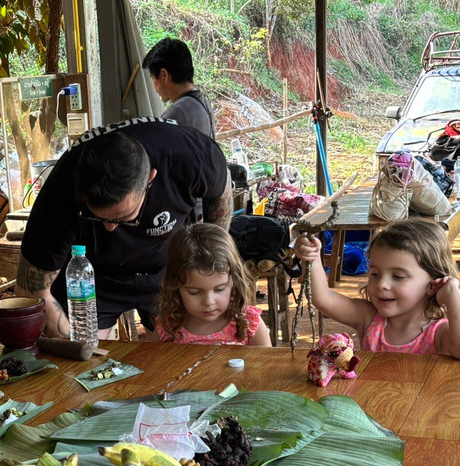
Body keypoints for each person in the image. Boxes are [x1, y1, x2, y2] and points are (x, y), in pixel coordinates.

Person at [16, 118, 232, 340]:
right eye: (98, 218)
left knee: (182, 348)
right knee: (85, 353)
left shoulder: (190, 156)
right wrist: (77, 347)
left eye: (123, 218)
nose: (110, 227)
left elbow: (221, 194)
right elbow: (31, 291)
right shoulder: (59, 194)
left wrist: (207, 259)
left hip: (166, 267)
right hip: (93, 275)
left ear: (150, 180)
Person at [292, 220, 460, 360]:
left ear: (432, 285)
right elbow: (322, 297)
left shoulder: (438, 333)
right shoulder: (369, 319)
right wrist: (311, 257)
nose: (382, 284)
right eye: (374, 273)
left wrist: (452, 293)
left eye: (398, 276)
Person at [153, 223, 271, 345]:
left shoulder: (248, 323)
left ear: (234, 281)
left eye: (219, 289)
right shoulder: (167, 327)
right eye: (194, 292)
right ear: (175, 286)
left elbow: (267, 357)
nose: (209, 302)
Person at [142, 37, 215, 140]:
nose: (154, 87)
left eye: (153, 78)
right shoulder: (202, 102)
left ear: (164, 75)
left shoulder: (177, 114)